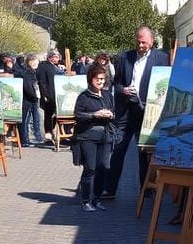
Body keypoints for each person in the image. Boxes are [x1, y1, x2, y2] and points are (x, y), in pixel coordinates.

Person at [100, 26, 170, 200]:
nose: (140, 45)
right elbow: (116, 84)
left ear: (152, 41)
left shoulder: (161, 58)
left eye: (144, 42)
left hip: (146, 112)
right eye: (138, 42)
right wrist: (123, 90)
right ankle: (110, 189)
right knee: (118, 149)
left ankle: (146, 189)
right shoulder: (125, 57)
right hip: (125, 111)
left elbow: (165, 83)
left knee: (144, 152)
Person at [73, 64, 115, 212]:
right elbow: (77, 115)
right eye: (98, 79)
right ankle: (85, 200)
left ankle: (96, 199)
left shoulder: (107, 95)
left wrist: (110, 114)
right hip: (88, 136)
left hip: (105, 136)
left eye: (103, 79)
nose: (101, 82)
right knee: (90, 168)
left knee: (103, 168)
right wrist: (94, 115)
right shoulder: (84, 96)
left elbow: (113, 112)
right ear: (91, 79)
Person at [37, 49, 62, 143]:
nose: (57, 58)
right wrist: (45, 95)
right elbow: (42, 82)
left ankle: (52, 132)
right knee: (48, 115)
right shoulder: (44, 67)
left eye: (57, 57)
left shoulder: (55, 67)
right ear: (50, 57)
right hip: (49, 95)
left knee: (55, 114)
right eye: (55, 57)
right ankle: (48, 133)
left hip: (55, 94)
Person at [21, 54, 43, 146]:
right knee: (26, 120)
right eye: (34, 61)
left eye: (36, 61)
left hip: (34, 99)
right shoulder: (27, 73)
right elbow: (27, 87)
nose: (36, 63)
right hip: (28, 100)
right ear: (29, 62)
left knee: (36, 118)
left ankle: (36, 137)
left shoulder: (35, 72)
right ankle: (25, 139)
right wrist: (35, 95)